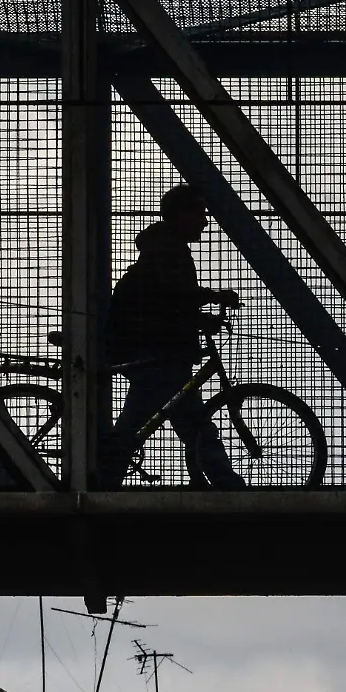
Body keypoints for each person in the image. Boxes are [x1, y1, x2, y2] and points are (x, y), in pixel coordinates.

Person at [100, 184, 246, 489]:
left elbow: (166, 301)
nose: (205, 222)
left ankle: (227, 485)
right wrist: (212, 298)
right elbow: (172, 297)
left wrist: (200, 314)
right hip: (155, 351)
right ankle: (102, 480)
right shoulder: (169, 249)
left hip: (153, 348)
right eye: (200, 214)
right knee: (184, 425)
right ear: (182, 214)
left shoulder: (164, 247)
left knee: (191, 425)